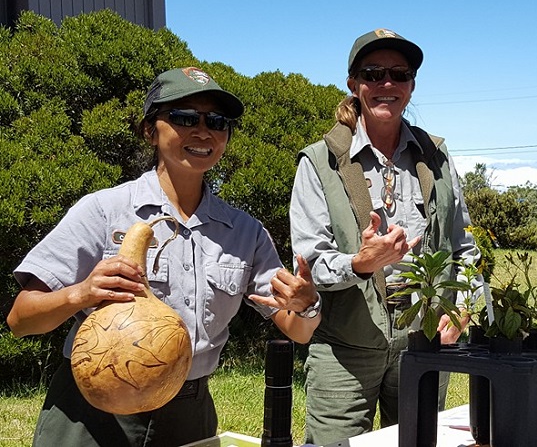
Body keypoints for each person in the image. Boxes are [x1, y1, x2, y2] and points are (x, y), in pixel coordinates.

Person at [6, 67, 322, 446]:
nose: (203, 131)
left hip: (187, 412)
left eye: (217, 121)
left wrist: (307, 305)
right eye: (185, 118)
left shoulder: (245, 232)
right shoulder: (103, 211)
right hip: (92, 411)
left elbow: (299, 330)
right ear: (149, 130)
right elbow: (20, 320)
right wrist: (82, 293)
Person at [290, 28, 482, 444]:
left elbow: (464, 250)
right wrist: (360, 263)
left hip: (424, 340)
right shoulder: (319, 161)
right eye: (373, 73)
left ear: (412, 85)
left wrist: (462, 308)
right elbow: (309, 261)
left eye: (400, 73)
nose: (387, 84)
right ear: (353, 83)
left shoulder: (437, 156)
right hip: (346, 347)